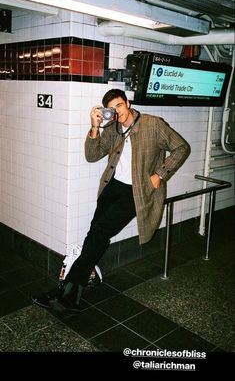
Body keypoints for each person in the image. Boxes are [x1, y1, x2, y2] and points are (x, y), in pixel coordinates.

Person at [32, 88, 190, 312]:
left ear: (127, 103)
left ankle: (67, 290)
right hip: (112, 187)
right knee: (95, 233)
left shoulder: (153, 125)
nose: (117, 112)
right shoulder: (114, 128)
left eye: (119, 106)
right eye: (112, 109)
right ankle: (72, 291)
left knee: (99, 233)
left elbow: (181, 147)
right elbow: (92, 155)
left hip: (135, 192)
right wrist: (95, 126)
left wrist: (160, 174)